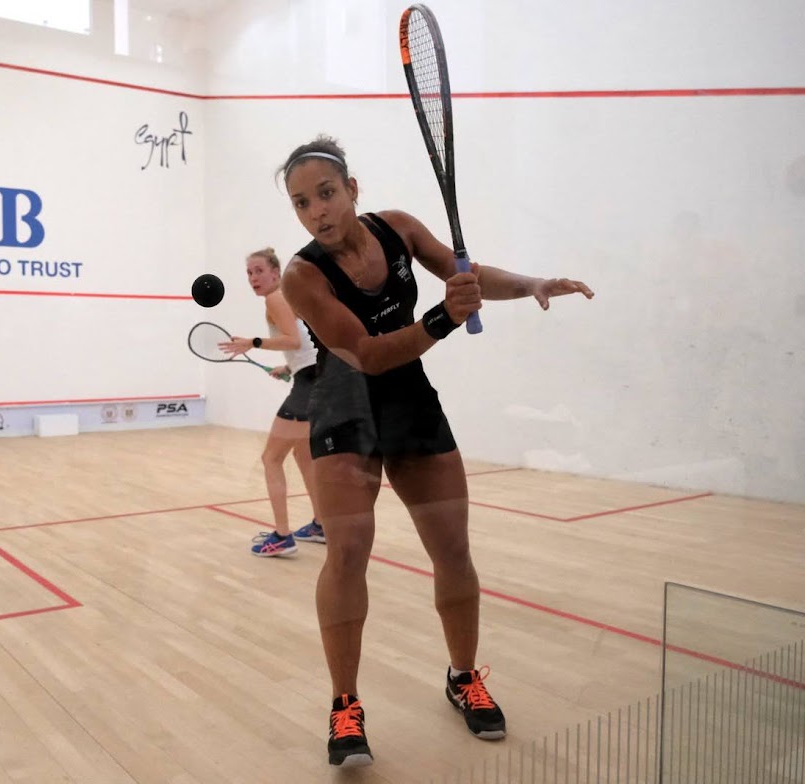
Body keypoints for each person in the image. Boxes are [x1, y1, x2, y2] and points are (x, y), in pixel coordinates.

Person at [275, 135, 594, 767]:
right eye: (302, 203)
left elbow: (463, 274)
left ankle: (464, 677)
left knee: (452, 549)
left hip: (410, 402)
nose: (317, 211)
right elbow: (366, 353)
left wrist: (531, 282)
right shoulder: (300, 276)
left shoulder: (397, 228)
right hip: (345, 407)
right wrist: (443, 320)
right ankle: (345, 706)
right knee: (347, 553)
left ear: (352, 189)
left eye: (326, 193)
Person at [218, 248, 325, 557]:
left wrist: (252, 343)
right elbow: (305, 345)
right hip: (318, 378)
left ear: (276, 273)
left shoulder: (276, 298)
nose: (253, 278)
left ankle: (282, 536)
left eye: (259, 271)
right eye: (249, 273)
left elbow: (292, 339)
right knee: (303, 455)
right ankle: (321, 525)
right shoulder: (286, 297)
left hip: (309, 385)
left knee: (271, 459)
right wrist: (288, 367)